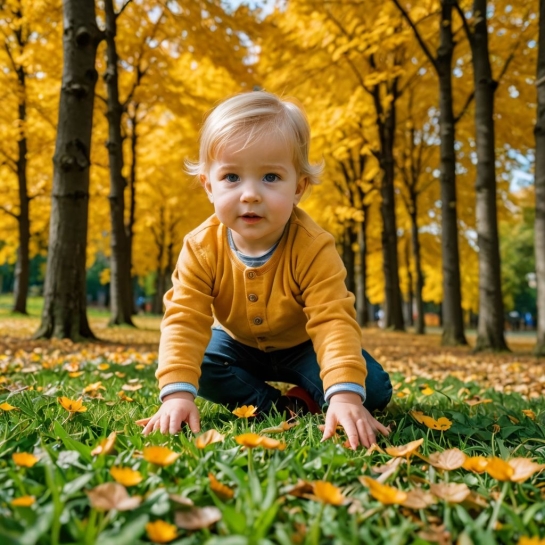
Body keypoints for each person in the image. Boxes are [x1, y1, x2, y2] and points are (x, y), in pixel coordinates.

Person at [142, 91, 392, 449]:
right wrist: (177, 394)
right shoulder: (200, 247)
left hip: (302, 345)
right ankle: (279, 407)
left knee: (374, 388)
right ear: (208, 186)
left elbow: (332, 320)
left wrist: (345, 396)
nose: (250, 194)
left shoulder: (312, 246)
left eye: (271, 177)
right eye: (231, 177)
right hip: (235, 345)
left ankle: (323, 396)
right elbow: (184, 319)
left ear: (299, 188)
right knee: (203, 365)